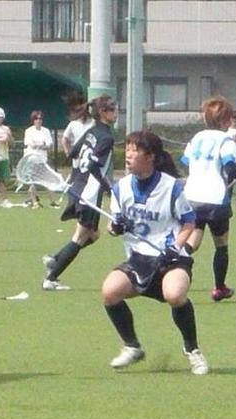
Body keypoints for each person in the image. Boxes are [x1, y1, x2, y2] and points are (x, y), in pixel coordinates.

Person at [102, 130, 208, 375]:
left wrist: (176, 247)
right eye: (126, 149)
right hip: (138, 259)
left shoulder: (170, 187)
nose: (127, 155)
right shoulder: (121, 188)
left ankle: (192, 350)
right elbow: (112, 225)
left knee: (175, 294)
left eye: (134, 150)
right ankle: (132, 346)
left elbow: (189, 223)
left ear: (150, 157)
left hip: (170, 259)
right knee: (109, 292)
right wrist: (115, 227)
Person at [42, 95, 118, 291]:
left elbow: (74, 152)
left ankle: (56, 258)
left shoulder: (91, 131)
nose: (116, 112)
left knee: (93, 235)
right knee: (81, 237)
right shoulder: (106, 137)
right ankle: (51, 277)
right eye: (112, 108)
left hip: (77, 186)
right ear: (103, 113)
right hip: (89, 192)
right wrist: (108, 188)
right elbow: (94, 166)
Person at [182, 96, 236, 302]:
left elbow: (185, 160)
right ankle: (219, 288)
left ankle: (173, 266)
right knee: (221, 244)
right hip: (216, 199)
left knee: (193, 240)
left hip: (192, 196)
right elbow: (230, 167)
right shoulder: (226, 140)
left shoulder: (196, 137)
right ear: (225, 121)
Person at [23, 110, 58, 209]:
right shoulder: (29, 131)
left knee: (48, 181)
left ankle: (53, 202)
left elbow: (49, 145)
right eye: (37, 119)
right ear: (33, 120)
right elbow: (31, 145)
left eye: (40, 119)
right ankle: (34, 202)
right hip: (33, 160)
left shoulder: (46, 131)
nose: (39, 120)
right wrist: (41, 144)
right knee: (32, 182)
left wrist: (41, 145)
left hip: (43, 160)